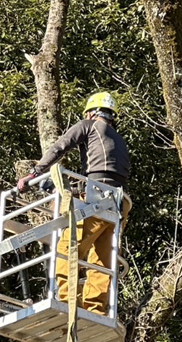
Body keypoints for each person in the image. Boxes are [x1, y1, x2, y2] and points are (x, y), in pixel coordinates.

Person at [16, 91, 131, 316]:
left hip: (97, 197)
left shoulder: (88, 125)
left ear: (91, 112)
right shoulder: (119, 140)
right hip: (118, 204)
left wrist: (34, 173)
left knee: (68, 249)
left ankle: (66, 301)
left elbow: (60, 147)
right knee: (102, 259)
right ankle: (95, 308)